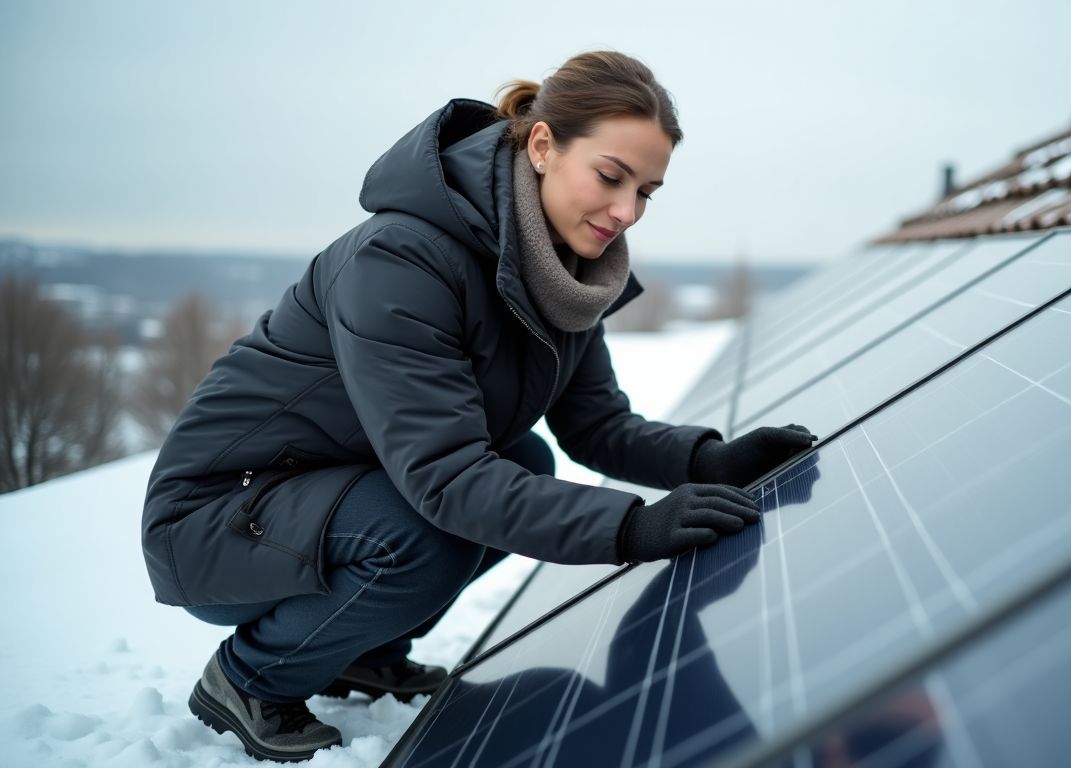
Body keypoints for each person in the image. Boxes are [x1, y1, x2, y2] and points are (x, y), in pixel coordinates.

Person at [140, 50, 815, 762]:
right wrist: (633, 528)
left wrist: (708, 459)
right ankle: (250, 677)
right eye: (611, 177)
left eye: (646, 191)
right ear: (545, 144)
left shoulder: (562, 272)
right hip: (219, 519)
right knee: (426, 530)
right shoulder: (402, 259)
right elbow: (446, 477)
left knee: (524, 457)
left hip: (330, 498)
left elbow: (596, 424)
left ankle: (359, 650)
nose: (626, 212)